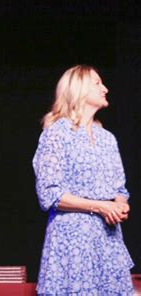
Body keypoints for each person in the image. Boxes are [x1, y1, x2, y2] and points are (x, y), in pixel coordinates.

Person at [33, 65, 134, 294]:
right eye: (97, 83)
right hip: (72, 243)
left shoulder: (107, 139)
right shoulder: (56, 133)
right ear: (78, 90)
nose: (105, 88)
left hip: (107, 241)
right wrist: (100, 206)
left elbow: (120, 187)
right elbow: (49, 194)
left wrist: (120, 205)